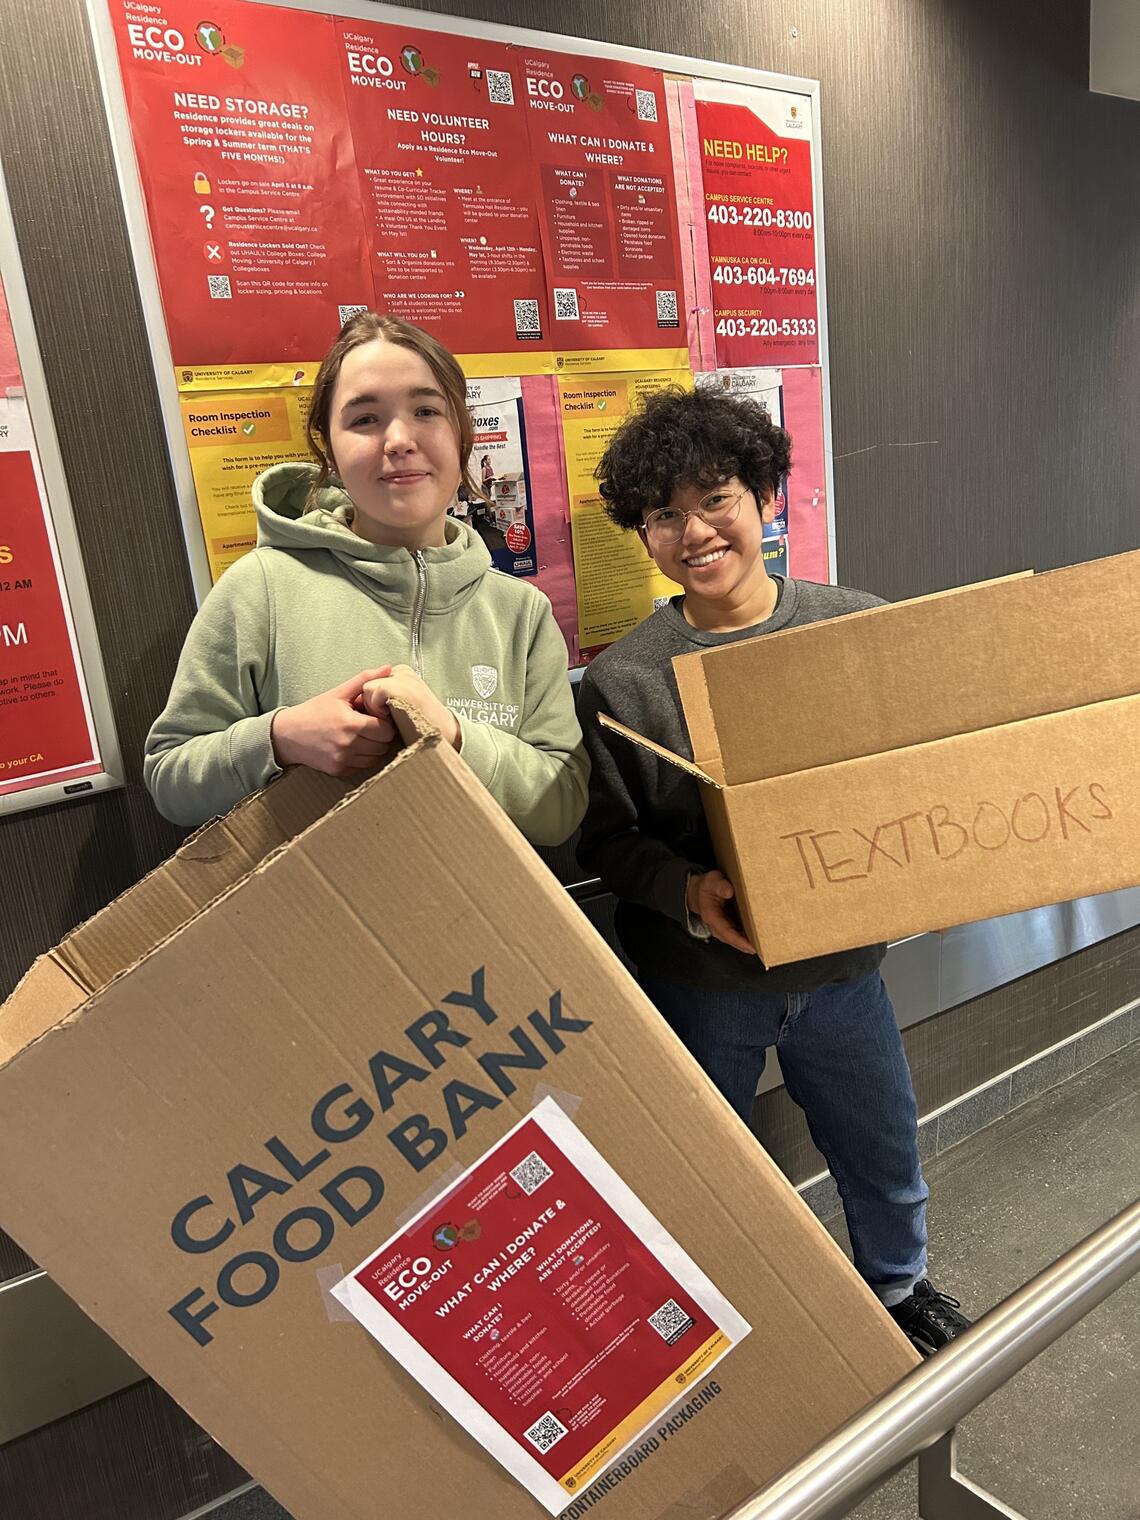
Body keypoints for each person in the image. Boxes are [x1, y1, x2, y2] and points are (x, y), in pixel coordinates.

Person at [576, 386, 970, 1356]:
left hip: (843, 970)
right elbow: (607, 842)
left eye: (715, 498)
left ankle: (898, 1287)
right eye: (663, 514)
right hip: (705, 978)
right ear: (643, 534)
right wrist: (690, 893)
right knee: (703, 1169)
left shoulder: (853, 626)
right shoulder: (625, 678)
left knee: (882, 1148)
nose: (694, 531)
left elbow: (919, 775)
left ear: (763, 498)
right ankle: (720, 1327)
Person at [145, 313, 588, 847]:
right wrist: (278, 739)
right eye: (365, 419)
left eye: (426, 411)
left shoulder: (522, 613)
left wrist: (453, 736)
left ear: (462, 434)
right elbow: (170, 780)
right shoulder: (260, 588)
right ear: (328, 449)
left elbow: (560, 810)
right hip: (311, 922)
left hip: (482, 921)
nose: (399, 439)